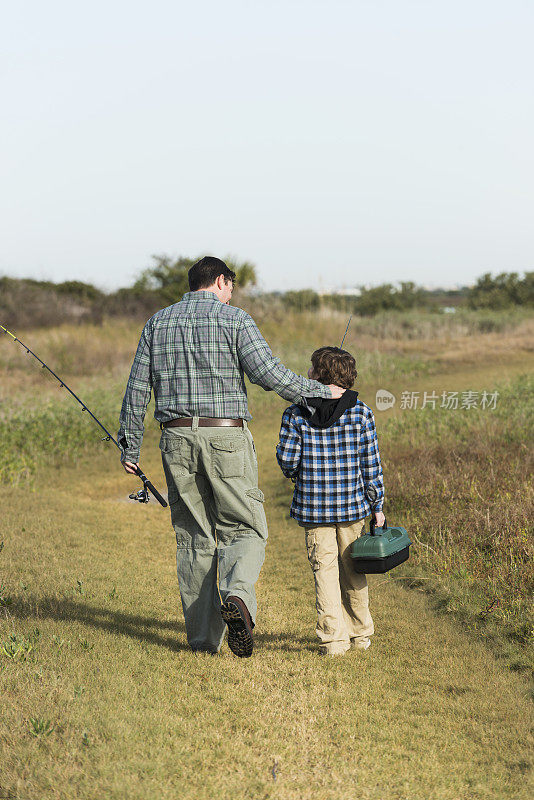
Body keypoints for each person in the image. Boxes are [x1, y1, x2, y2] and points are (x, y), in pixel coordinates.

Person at [118, 257, 346, 657]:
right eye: (230, 288)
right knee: (245, 528)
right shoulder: (235, 320)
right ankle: (237, 597)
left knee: (193, 537)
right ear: (220, 281)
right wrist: (323, 393)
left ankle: (204, 641)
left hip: (175, 439)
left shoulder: (156, 322)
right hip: (225, 436)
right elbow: (269, 374)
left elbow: (137, 389)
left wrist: (129, 446)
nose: (230, 295)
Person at [275, 345, 385, 656]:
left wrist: (303, 476)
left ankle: (333, 641)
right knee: (353, 570)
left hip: (312, 507)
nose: (306, 373)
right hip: (353, 508)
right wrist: (377, 506)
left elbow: (287, 462)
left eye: (311, 369)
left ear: (321, 376)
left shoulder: (296, 413)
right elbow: (371, 465)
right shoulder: (361, 412)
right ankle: (360, 635)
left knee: (323, 571)